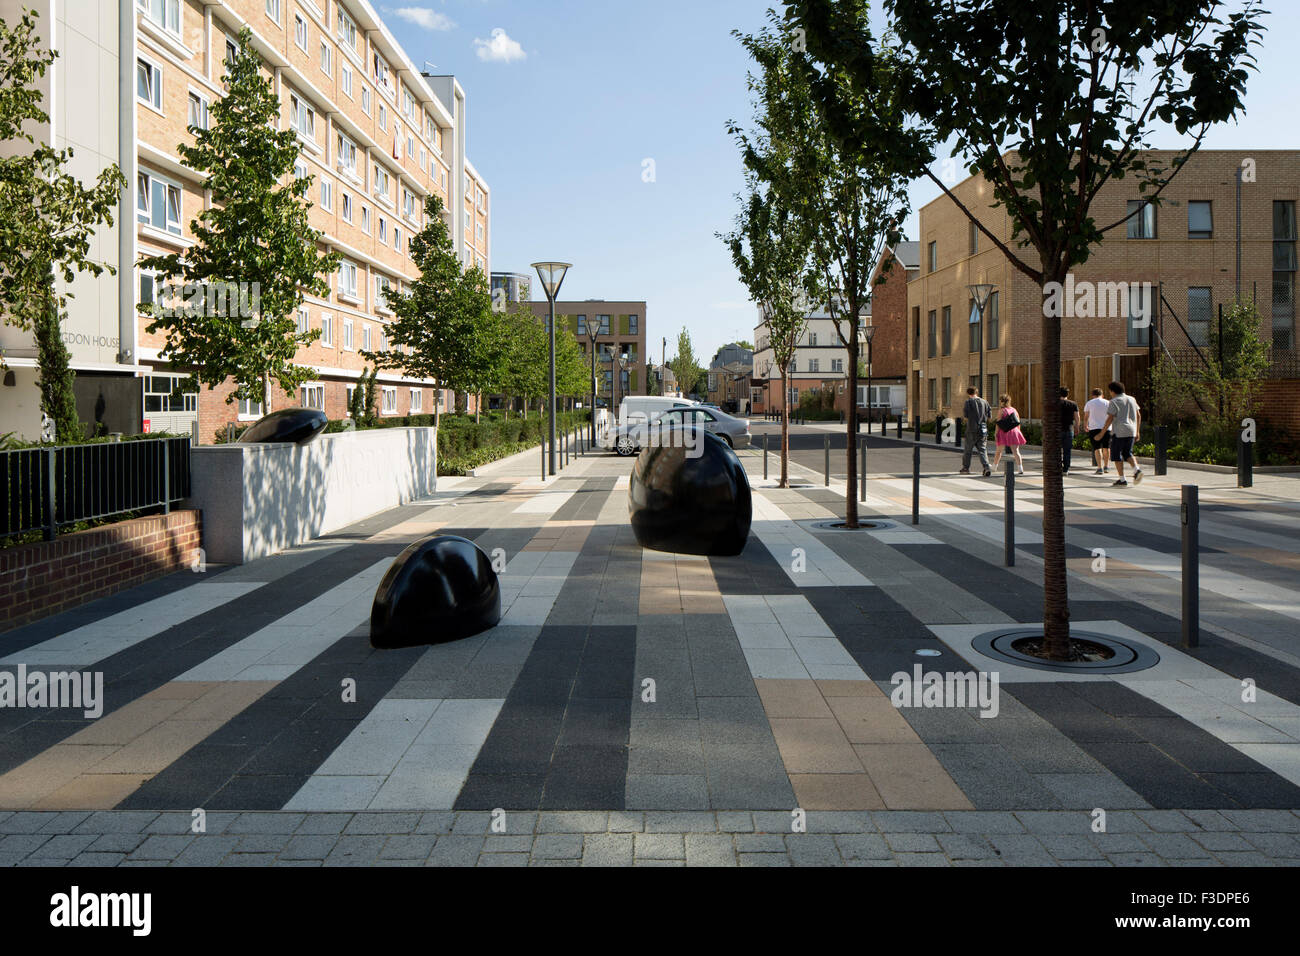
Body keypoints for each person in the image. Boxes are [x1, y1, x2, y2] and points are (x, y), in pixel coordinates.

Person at [1101, 380, 1143, 487]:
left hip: (1119, 431)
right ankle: (1136, 469)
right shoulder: (1132, 399)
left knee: (1116, 455)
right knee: (1127, 453)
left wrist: (1102, 433)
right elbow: (1138, 415)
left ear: (1112, 391)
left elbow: (1110, 418)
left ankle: (1122, 479)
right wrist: (1137, 431)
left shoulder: (1114, 401)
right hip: (1131, 430)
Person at [958, 386, 992, 476]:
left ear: (968, 393)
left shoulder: (968, 402)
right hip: (983, 429)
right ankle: (986, 467)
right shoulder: (985, 402)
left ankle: (966, 468)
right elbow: (989, 416)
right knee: (982, 450)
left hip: (971, 429)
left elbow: (966, 415)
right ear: (976, 392)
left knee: (968, 450)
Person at [991, 394, 1026, 475]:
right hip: (1014, 432)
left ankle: (994, 466)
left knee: (999, 451)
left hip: (1004, 432)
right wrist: (1018, 432)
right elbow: (1018, 422)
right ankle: (1020, 468)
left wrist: (996, 433)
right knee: (1016, 451)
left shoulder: (1001, 411)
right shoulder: (1014, 410)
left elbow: (998, 423)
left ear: (1002, 402)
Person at [1083, 387, 1112, 475]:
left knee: (1097, 448)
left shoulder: (1089, 403)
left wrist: (1085, 425)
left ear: (1093, 395)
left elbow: (1086, 416)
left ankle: (1099, 467)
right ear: (1102, 395)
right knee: (1106, 447)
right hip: (1107, 428)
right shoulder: (1108, 402)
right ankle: (1106, 466)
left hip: (1094, 428)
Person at [1059, 387, 1081, 475]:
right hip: (1069, 429)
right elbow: (1077, 417)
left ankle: (1058, 466)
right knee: (1067, 451)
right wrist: (1077, 427)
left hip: (1057, 430)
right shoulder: (1073, 404)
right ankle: (1066, 469)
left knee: (1056, 450)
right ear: (1067, 394)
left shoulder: (1055, 403)